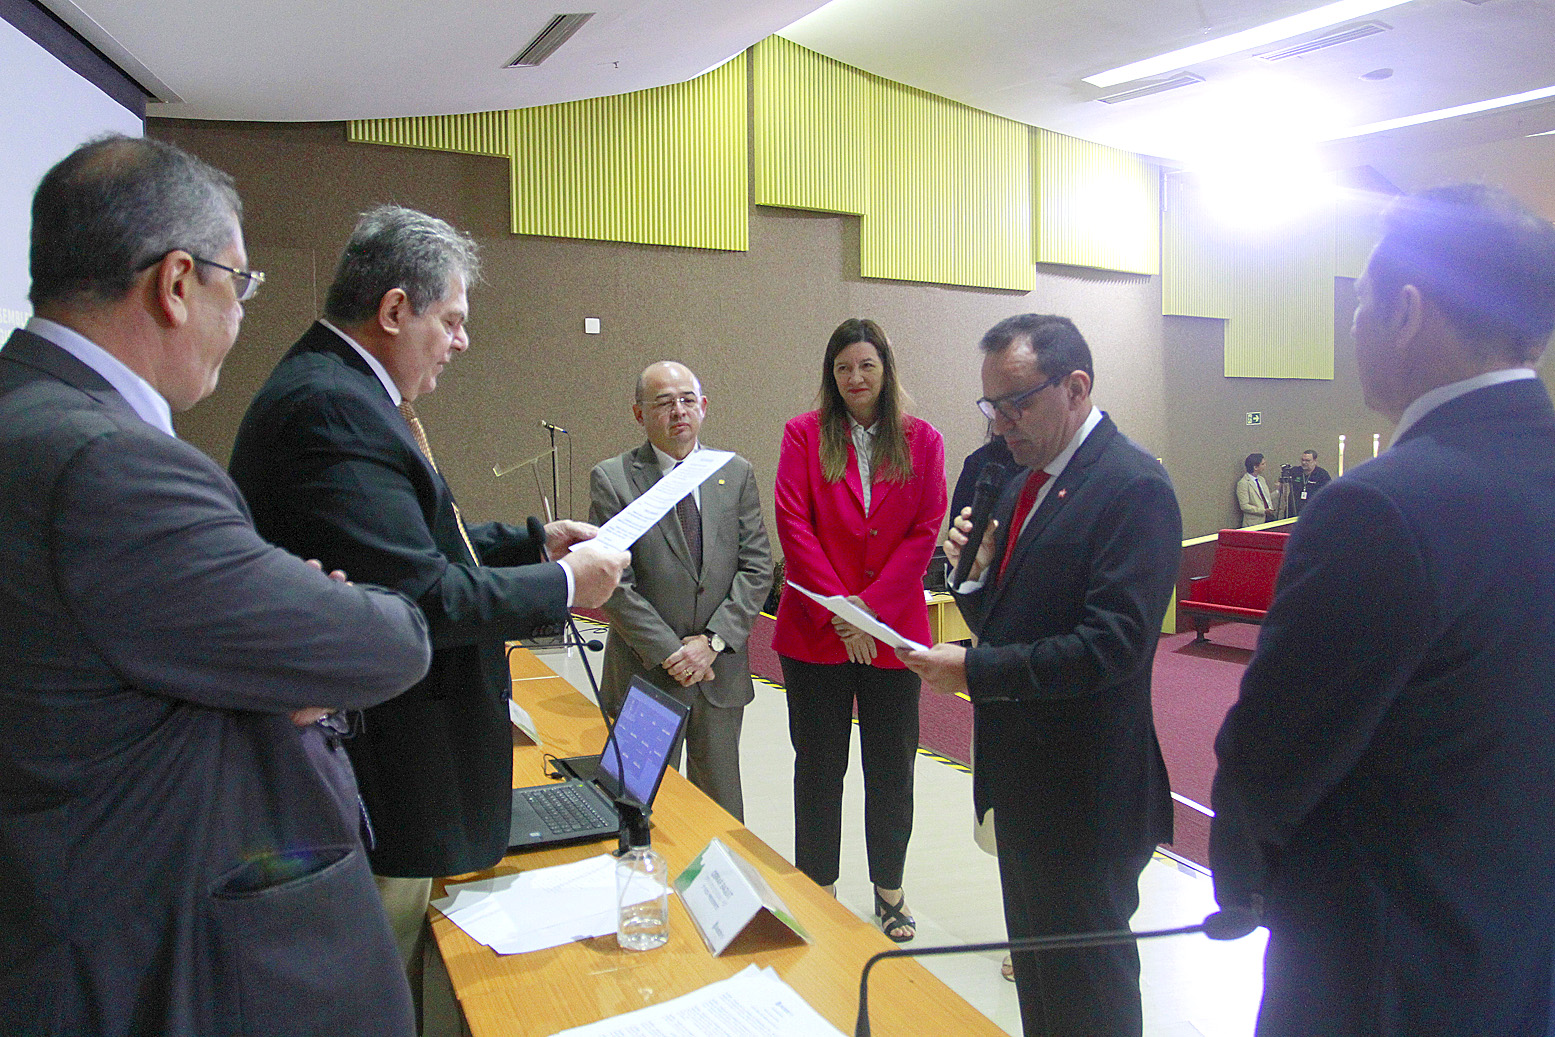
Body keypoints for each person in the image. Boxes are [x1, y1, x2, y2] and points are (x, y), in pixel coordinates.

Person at [0, 135, 434, 1037]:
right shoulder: (112, 466)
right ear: (175, 283)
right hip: (165, 952)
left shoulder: (24, 414)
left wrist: (266, 644)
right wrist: (282, 666)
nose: (238, 315)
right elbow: (387, 641)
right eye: (238, 285)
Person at [227, 204, 629, 1015]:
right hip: (383, 775)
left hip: (389, 763)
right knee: (377, 993)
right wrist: (565, 587)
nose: (461, 340)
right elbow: (419, 598)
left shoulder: (334, 389)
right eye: (451, 319)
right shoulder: (331, 407)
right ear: (393, 311)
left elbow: (410, 545)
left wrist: (531, 543)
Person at [1210, 186, 1555, 1036]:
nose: (1353, 327)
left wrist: (1243, 882)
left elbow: (1275, 753)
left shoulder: (1381, 506)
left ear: (1404, 311)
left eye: (1358, 303)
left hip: (1384, 966)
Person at [900, 313, 1181, 1037]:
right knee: (1042, 987)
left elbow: (1109, 645)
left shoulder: (1131, 485)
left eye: (1016, 402)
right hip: (1026, 786)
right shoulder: (1023, 479)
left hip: (1086, 795)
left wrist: (972, 670)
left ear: (1076, 386)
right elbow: (1015, 615)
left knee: (1090, 997)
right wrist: (975, 584)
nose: (999, 424)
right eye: (990, 405)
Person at [772, 317, 946, 942]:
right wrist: (846, 616)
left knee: (891, 769)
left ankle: (889, 890)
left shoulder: (923, 441)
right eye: (843, 368)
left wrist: (870, 613)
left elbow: (925, 531)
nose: (855, 378)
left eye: (866, 366)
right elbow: (794, 524)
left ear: (885, 369)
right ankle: (816, 888)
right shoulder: (803, 435)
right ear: (831, 373)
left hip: (893, 635)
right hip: (817, 632)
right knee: (818, 767)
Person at [588, 361, 772, 820]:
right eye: (664, 402)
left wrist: (710, 644)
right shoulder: (614, 478)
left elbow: (756, 568)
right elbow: (614, 583)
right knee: (633, 808)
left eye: (688, 400)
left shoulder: (735, 473)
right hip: (646, 673)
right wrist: (675, 652)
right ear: (638, 414)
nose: (678, 411)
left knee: (720, 814)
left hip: (718, 675)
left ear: (704, 407)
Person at [1237, 452, 1275, 525]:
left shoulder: (1261, 479)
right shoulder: (1243, 483)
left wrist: (1278, 491)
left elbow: (1265, 498)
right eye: (1263, 464)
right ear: (1255, 467)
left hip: (1269, 519)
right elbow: (1244, 506)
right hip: (1255, 522)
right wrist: (1263, 511)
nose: (1265, 466)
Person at [1290, 449, 1330, 515]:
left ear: (1315, 461)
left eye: (1307, 460)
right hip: (1294, 511)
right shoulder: (1295, 471)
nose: (1304, 463)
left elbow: (1328, 493)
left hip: (1313, 511)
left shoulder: (1322, 474)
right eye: (1303, 460)